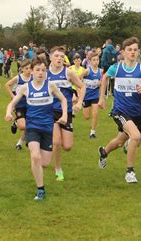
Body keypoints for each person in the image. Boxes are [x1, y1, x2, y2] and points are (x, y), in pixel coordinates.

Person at [97, 36, 141, 184]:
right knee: (136, 137)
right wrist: (102, 98)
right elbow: (104, 78)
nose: (132, 52)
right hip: (119, 111)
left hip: (136, 113)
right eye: (129, 50)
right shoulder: (116, 68)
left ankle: (104, 152)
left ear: (138, 52)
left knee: (120, 141)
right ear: (123, 52)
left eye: (135, 50)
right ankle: (130, 172)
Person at [5, 57, 68, 200]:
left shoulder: (50, 86)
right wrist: (9, 112)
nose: (41, 73)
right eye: (38, 70)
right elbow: (12, 103)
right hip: (32, 127)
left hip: (47, 128)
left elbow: (63, 99)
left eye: (43, 70)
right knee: (35, 156)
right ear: (31, 71)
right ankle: (41, 190)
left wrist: (64, 115)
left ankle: (37, 165)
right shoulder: (25, 88)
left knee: (44, 163)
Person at [47, 46, 85, 181]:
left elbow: (82, 86)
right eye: (56, 56)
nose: (59, 59)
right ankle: (58, 169)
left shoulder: (68, 73)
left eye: (61, 57)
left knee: (67, 146)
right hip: (50, 112)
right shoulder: (45, 74)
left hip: (66, 112)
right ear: (50, 57)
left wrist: (79, 102)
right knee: (56, 142)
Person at [5, 59, 31, 150]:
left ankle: (19, 143)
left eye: (30, 68)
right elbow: (7, 85)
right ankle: (16, 122)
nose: (29, 70)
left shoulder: (33, 78)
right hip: (19, 104)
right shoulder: (18, 78)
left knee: (29, 124)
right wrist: (13, 96)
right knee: (23, 126)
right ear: (22, 69)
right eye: (26, 68)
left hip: (31, 104)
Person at [81, 52, 103, 138]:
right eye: (94, 60)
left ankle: (92, 132)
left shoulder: (100, 71)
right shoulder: (87, 71)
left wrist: (102, 96)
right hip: (86, 96)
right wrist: (80, 90)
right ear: (90, 61)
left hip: (95, 95)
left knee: (95, 113)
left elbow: (102, 84)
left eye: (97, 60)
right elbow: (78, 78)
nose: (96, 62)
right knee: (87, 117)